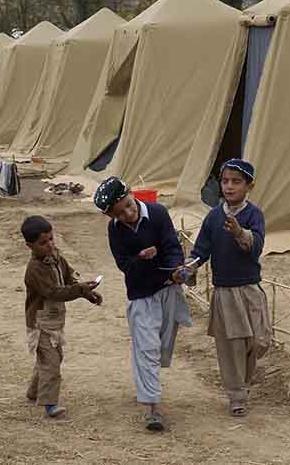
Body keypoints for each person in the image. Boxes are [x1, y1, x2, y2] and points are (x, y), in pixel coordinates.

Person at [95, 176, 191, 432]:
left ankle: (147, 383)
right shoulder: (115, 231)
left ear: (132, 194)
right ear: (111, 217)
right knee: (146, 348)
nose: (129, 212)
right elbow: (124, 266)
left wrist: (177, 270)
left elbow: (172, 246)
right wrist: (140, 257)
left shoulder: (158, 213)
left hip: (168, 289)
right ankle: (152, 408)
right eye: (120, 213)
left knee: (161, 345)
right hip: (141, 295)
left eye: (129, 204)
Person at [186, 159, 270, 417]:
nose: (229, 187)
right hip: (225, 292)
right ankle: (236, 395)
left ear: (249, 186)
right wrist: (190, 267)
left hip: (250, 289)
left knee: (258, 341)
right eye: (225, 181)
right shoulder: (213, 217)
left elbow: (256, 246)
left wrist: (239, 232)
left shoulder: (253, 214)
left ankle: (242, 383)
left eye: (236, 182)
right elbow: (201, 250)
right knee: (231, 345)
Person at [21, 215, 102, 419]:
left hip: (55, 319)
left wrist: (87, 291)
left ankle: (34, 391)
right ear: (29, 245)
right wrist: (80, 290)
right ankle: (49, 403)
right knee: (51, 362)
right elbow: (54, 292)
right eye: (43, 242)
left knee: (51, 358)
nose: (49, 245)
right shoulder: (34, 270)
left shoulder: (56, 257)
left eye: (51, 239)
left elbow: (68, 276)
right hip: (40, 323)